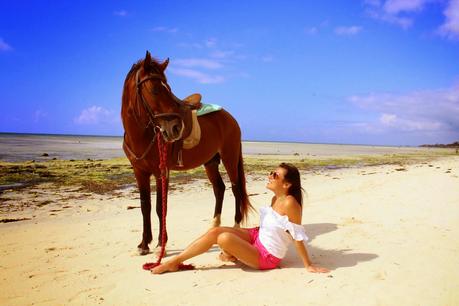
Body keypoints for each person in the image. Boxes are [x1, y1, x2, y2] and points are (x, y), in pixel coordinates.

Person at [151, 162, 329, 274]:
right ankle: (175, 262)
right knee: (216, 231)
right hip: (257, 237)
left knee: (224, 238)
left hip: (266, 256)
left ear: (287, 184)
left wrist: (308, 265)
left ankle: (229, 254)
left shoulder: (291, 204)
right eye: (271, 172)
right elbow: (272, 227)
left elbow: (297, 236)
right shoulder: (276, 197)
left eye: (275, 175)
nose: (269, 176)